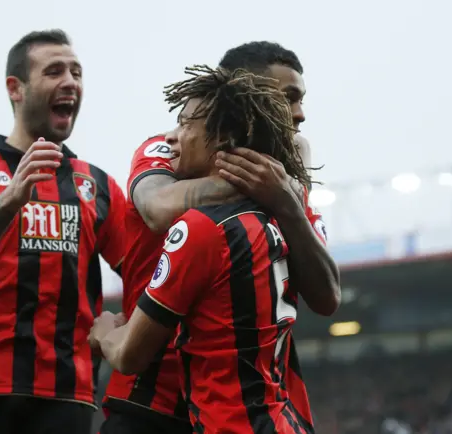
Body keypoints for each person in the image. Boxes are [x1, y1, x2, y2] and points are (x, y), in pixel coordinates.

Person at [100, 41, 339, 434]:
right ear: (246, 102)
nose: (300, 114)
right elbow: (158, 208)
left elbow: (327, 296)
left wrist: (286, 197)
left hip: (240, 399)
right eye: (288, 99)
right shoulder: (168, 148)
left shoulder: (282, 185)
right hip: (154, 397)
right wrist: (271, 183)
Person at [0, 29, 126, 434]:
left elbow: (150, 274)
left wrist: (122, 329)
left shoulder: (98, 187)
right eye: (54, 71)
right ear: (15, 88)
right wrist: (9, 199)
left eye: (76, 72)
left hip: (66, 397)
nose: (70, 82)